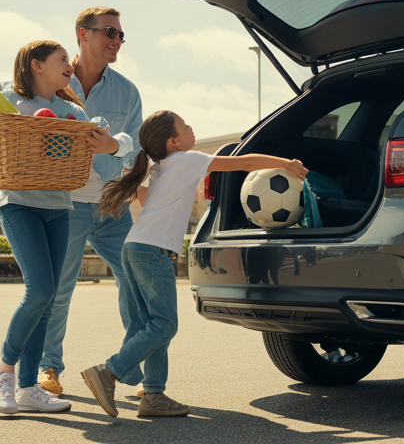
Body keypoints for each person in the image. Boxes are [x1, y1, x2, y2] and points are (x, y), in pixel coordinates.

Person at [79, 111, 308, 418]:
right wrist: (286, 164)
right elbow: (247, 163)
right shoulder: (187, 160)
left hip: (134, 248)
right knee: (165, 325)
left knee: (154, 325)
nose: (191, 128)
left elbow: (148, 200)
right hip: (152, 251)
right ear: (173, 142)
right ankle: (109, 372)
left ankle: (154, 395)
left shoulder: (162, 167)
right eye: (185, 126)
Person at [0, 40, 122, 414]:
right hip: (17, 203)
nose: (69, 66)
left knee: (48, 299)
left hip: (59, 205)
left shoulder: (69, 109)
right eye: (62, 60)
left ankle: (28, 388)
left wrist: (104, 143)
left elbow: (80, 149)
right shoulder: (5, 98)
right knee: (41, 288)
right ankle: (2, 374)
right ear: (36, 65)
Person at [34, 7, 144, 397]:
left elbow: (135, 150)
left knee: (134, 281)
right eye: (109, 32)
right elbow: (0, 103)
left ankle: (127, 365)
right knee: (59, 288)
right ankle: (48, 367)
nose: (116, 40)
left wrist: (116, 145)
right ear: (83, 34)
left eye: (120, 34)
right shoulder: (50, 79)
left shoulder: (128, 92)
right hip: (65, 202)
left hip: (111, 204)